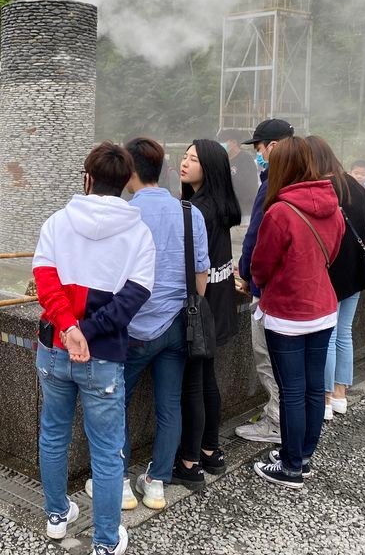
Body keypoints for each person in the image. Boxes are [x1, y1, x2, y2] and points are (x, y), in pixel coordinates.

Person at [34, 142, 155, 555]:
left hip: (54, 349)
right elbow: (134, 298)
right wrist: (88, 332)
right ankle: (105, 540)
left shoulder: (56, 222)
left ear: (87, 177)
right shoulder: (138, 232)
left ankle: (55, 516)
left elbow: (45, 282)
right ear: (126, 182)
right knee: (106, 450)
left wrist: (69, 329)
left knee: (53, 434)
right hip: (104, 357)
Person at [114, 138, 207, 511]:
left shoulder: (125, 214)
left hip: (133, 329)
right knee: (169, 404)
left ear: (130, 172)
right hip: (176, 326)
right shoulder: (189, 212)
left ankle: (117, 482)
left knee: (115, 402)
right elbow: (200, 280)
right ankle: (156, 485)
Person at [250, 137, 344, 489]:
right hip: (323, 307)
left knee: (291, 390)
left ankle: (290, 468)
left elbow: (261, 263)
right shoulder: (332, 206)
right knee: (311, 387)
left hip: (287, 313)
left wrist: (262, 282)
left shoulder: (280, 211)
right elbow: (332, 251)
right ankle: (303, 454)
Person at [175, 139, 242, 488]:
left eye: (193, 159)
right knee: (207, 379)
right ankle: (212, 450)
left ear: (211, 167)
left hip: (200, 308)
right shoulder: (220, 205)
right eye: (184, 157)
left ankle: (189, 461)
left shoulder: (196, 210)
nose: (184, 163)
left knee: (193, 384)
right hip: (220, 304)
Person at [235, 118, 295, 444]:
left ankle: (276, 423)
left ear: (272, 146)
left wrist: (246, 275)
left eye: (259, 149)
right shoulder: (310, 178)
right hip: (303, 291)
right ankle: (290, 421)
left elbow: (255, 238)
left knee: (268, 358)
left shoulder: (273, 182)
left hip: (272, 291)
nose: (259, 156)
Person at [308, 136, 365, 422]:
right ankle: (340, 394)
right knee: (344, 333)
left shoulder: (322, 188)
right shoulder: (354, 185)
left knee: (328, 336)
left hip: (331, 271)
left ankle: (323, 400)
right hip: (356, 272)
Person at [218, 128, 259, 218]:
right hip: (223, 212)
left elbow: (249, 188)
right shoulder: (221, 160)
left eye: (223, 141)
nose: (221, 145)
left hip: (243, 212)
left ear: (233, 142)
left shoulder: (245, 160)